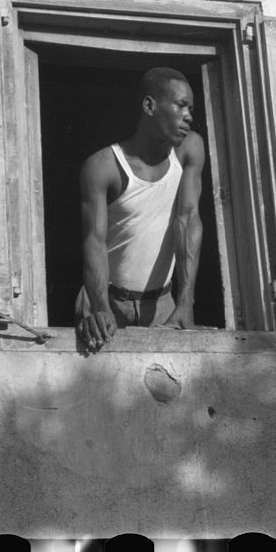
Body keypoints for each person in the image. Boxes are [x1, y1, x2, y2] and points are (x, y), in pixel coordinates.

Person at [74, 67, 205, 351]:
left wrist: (185, 303)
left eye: (191, 109)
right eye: (181, 106)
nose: (189, 116)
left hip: (163, 302)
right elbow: (93, 242)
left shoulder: (190, 149)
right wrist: (99, 307)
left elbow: (188, 219)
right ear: (149, 106)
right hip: (105, 299)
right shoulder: (103, 166)